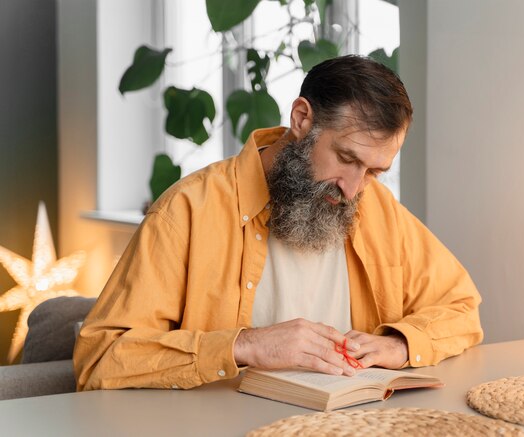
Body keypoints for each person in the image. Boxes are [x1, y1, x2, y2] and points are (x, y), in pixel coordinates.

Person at [74, 55, 483, 391]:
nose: (355, 189)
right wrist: (245, 346)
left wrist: (400, 344)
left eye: (375, 171)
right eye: (346, 159)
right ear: (302, 119)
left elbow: (461, 307)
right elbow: (101, 357)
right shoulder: (186, 211)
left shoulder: (377, 207)